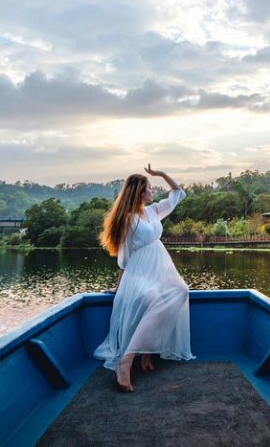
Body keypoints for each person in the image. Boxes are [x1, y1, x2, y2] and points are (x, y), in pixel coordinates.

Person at [93, 164, 193, 391]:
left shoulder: (153, 211)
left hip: (161, 269)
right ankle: (126, 362)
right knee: (154, 299)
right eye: (149, 187)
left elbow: (178, 193)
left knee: (181, 291)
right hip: (139, 272)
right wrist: (120, 286)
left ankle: (145, 352)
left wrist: (161, 174)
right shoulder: (127, 219)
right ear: (139, 192)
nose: (152, 190)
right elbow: (124, 257)